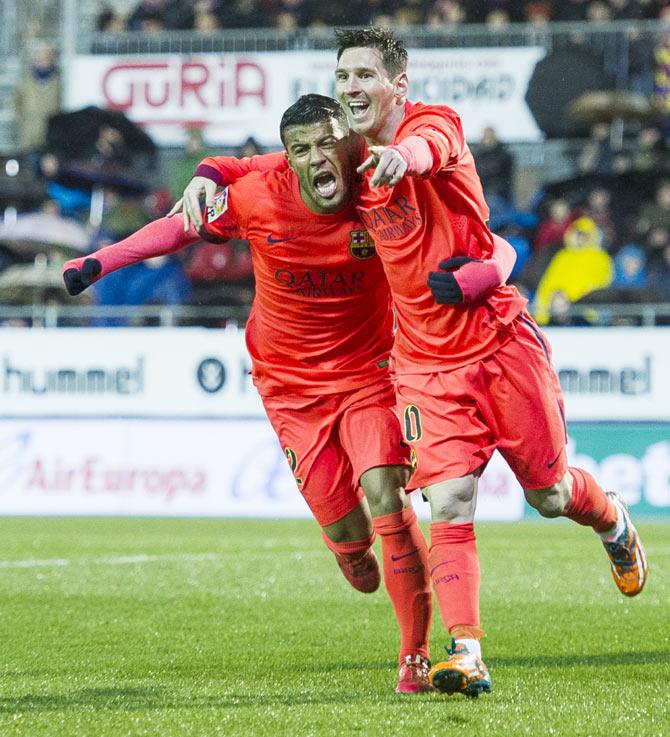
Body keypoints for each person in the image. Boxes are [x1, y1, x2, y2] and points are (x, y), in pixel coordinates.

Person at [177, 28, 649, 698]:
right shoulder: (340, 168)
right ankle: (467, 651)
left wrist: (408, 164)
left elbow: (431, 153)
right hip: (424, 366)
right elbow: (250, 169)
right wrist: (205, 173)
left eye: (365, 76)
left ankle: (613, 521)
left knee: (549, 493)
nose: (351, 88)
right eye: (342, 77)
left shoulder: (435, 127)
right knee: (450, 501)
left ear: (398, 85)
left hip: (498, 344)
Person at [63, 94, 514, 695]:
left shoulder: (383, 193)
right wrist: (99, 261)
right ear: (288, 159)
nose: (318, 157)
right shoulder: (258, 195)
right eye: (302, 149)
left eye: (329, 143)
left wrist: (485, 272)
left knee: (387, 495)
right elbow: (180, 226)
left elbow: (487, 241)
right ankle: (348, 549)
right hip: (289, 386)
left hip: (371, 373)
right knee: (353, 539)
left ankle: (414, 660)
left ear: (350, 146)